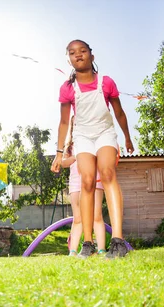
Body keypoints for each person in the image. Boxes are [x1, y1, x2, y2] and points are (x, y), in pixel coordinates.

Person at [51, 39, 134, 259]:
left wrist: (127, 137)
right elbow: (63, 122)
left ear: (91, 56)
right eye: (72, 52)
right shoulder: (67, 88)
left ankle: (117, 241)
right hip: (82, 135)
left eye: (82, 51)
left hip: (105, 132)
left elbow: (119, 113)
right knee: (87, 180)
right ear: (68, 59)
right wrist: (59, 153)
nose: (78, 55)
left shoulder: (106, 83)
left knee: (107, 173)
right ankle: (87, 244)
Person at [61, 117, 106, 256]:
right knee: (78, 218)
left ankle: (101, 249)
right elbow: (63, 162)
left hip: (95, 181)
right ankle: (73, 251)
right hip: (76, 183)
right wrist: (76, 156)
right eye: (76, 123)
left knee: (96, 216)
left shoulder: (94, 141)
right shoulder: (70, 146)